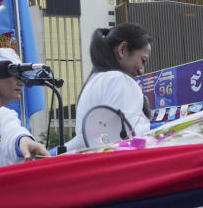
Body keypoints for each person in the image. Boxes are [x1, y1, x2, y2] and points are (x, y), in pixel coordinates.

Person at [65, 23, 153, 152]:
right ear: (122, 50)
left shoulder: (94, 81)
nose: (141, 71)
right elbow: (129, 140)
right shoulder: (119, 80)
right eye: (143, 60)